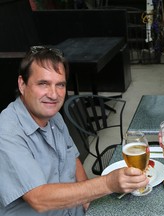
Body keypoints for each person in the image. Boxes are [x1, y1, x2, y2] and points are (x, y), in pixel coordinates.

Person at [0, 46, 149, 215]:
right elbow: (38, 198)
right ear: (22, 84)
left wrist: (87, 201)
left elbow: (73, 157)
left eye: (60, 85)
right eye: (43, 84)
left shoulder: (53, 116)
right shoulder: (6, 132)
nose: (54, 95)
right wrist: (107, 184)